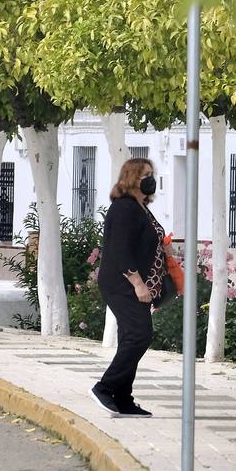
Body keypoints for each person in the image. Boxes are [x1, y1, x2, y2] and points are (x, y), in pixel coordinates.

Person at [92, 157, 164, 418]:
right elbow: (121, 250)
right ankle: (105, 387)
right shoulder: (124, 208)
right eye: (145, 174)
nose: (150, 178)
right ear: (131, 177)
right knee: (139, 335)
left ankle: (123, 399)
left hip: (136, 283)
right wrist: (138, 283)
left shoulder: (140, 207)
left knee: (131, 337)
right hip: (123, 283)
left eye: (152, 173)